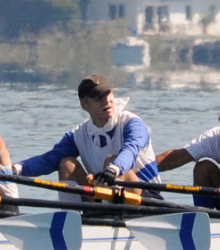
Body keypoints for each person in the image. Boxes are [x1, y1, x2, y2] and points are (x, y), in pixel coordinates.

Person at [11, 75, 160, 200]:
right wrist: (15, 169)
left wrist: (114, 169)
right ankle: (72, 219)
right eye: (98, 97)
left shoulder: (132, 124)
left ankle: (117, 218)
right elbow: (48, 160)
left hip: (146, 198)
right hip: (104, 199)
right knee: (66, 164)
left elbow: (131, 149)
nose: (106, 100)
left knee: (111, 160)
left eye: (108, 93)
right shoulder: (79, 135)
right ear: (84, 105)